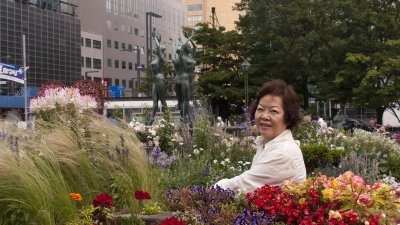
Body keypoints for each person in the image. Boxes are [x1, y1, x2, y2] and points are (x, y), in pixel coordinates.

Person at [214, 79, 306, 193]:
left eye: (273, 111)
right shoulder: (267, 143)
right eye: (260, 109)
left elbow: (242, 186)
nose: (264, 116)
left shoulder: (282, 154)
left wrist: (207, 190)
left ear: (288, 117)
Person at [172, 30, 196, 124]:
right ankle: (185, 116)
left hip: (177, 80)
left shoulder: (176, 59)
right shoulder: (186, 58)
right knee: (186, 100)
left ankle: (182, 116)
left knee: (179, 101)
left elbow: (193, 47)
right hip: (185, 80)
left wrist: (174, 45)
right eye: (188, 47)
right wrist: (190, 37)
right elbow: (190, 47)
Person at [148, 28, 167, 125]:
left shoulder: (161, 59)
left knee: (163, 100)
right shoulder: (155, 60)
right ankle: (151, 120)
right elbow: (158, 47)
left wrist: (155, 38)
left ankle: (167, 118)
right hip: (155, 81)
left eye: (158, 49)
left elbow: (159, 48)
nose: (156, 49)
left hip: (160, 79)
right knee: (155, 101)